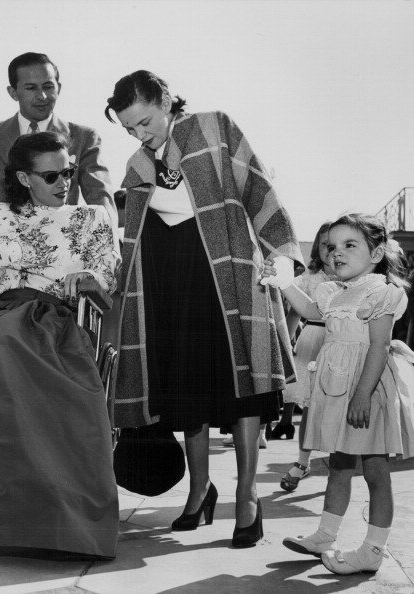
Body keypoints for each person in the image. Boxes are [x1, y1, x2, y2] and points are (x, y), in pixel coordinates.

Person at [104, 70, 303, 548]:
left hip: (227, 275)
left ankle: (248, 496)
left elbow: (257, 187)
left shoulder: (215, 128)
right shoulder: (137, 163)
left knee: (243, 392)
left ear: (168, 100)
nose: (140, 134)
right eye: (130, 128)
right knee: (189, 391)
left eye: (146, 121)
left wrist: (280, 253)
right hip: (170, 283)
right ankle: (199, 491)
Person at [0, 132, 120, 557]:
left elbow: (107, 275)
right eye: (51, 175)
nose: (64, 182)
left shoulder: (92, 217)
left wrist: (91, 279)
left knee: (2, 343)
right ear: (24, 178)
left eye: (69, 172)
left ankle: (47, 520)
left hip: (53, 320)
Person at [262, 213, 414, 574]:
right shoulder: (332, 290)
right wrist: (285, 283)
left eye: (350, 245)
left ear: (376, 254)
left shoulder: (382, 292)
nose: (336, 253)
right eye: (331, 246)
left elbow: (378, 347)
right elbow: (312, 311)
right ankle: (325, 535)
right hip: (337, 388)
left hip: (367, 388)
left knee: (376, 471)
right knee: (338, 465)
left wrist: (363, 394)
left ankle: (373, 550)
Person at [0, 51, 116, 305]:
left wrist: (108, 254)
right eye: (31, 88)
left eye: (49, 86)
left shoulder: (84, 137)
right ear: (13, 92)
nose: (43, 96)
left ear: (59, 87)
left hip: (62, 270)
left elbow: (100, 197)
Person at [279, 222, 336, 491]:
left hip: (339, 341)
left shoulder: (353, 277)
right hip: (313, 339)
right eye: (326, 245)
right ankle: (303, 461)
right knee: (310, 406)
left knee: (336, 408)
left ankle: (338, 463)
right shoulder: (310, 278)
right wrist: (288, 340)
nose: (331, 251)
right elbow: (294, 310)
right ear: (317, 247)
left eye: (336, 245)